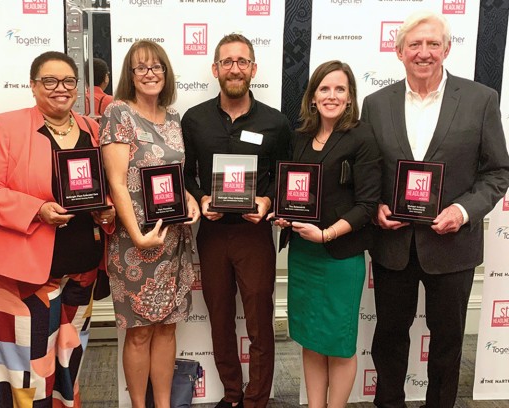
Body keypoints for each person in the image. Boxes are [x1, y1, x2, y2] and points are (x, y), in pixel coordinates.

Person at [361, 10, 509, 408]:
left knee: (447, 342)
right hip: (394, 246)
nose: (423, 52)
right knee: (389, 337)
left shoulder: (481, 100)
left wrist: (462, 211)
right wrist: (374, 206)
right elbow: (368, 170)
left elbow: (497, 171)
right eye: (414, 44)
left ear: (446, 49)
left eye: (432, 44)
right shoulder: (375, 104)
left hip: (453, 245)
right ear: (399, 52)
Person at [0, 51, 115, 407]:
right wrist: (37, 210)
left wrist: (105, 210)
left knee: (69, 361)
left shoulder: (91, 129)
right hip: (22, 274)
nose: (60, 89)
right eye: (50, 81)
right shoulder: (7, 126)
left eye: (68, 81)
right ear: (33, 86)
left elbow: (100, 185)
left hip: (82, 269)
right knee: (22, 370)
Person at [181, 33, 292, 408]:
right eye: (227, 61)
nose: (234, 68)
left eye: (242, 61)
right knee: (220, 319)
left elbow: (286, 174)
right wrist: (200, 198)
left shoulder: (275, 122)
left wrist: (267, 199)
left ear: (253, 69)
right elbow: (186, 174)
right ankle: (232, 395)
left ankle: (257, 399)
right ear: (215, 69)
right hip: (211, 234)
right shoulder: (194, 119)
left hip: (254, 234)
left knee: (261, 322)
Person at [271, 60, 381, 408]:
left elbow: (366, 205)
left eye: (340, 89)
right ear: (313, 96)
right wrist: (283, 214)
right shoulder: (300, 136)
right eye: (324, 88)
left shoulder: (362, 137)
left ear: (350, 98)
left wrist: (327, 234)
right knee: (311, 338)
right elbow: (293, 191)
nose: (331, 95)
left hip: (340, 257)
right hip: (304, 256)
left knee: (339, 343)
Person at [99, 40, 200, 408]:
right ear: (130, 74)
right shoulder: (117, 113)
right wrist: (139, 237)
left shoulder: (173, 118)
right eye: (141, 67)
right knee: (140, 333)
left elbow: (175, 176)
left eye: (156, 66)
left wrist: (188, 198)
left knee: (168, 328)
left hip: (173, 240)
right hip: (135, 243)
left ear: (166, 72)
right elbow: (117, 182)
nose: (150, 73)